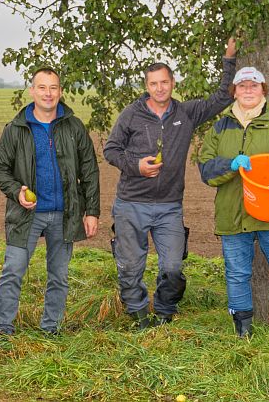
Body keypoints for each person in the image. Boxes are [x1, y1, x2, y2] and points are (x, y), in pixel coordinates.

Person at [104, 38, 237, 328]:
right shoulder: (131, 114)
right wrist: (136, 166)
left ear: (172, 82)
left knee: (173, 267)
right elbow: (111, 150)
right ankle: (139, 316)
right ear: (146, 86)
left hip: (169, 207)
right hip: (131, 204)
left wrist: (229, 59)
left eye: (164, 82)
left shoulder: (186, 113)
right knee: (130, 267)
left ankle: (164, 312)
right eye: (153, 84)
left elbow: (222, 98)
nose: (159, 88)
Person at [197, 66, 269, 347]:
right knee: (237, 273)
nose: (248, 90)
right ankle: (243, 331)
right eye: (242, 85)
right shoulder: (220, 127)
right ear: (234, 90)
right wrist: (230, 165)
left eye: (254, 85)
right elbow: (205, 168)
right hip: (233, 212)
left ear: (264, 89)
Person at [0, 67, 100, 343]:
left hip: (64, 214)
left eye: (53, 88)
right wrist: (17, 192)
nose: (48, 93)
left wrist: (92, 212)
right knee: (13, 270)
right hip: (25, 215)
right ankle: (3, 328)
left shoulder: (73, 126)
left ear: (60, 92)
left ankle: (50, 328)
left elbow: (90, 170)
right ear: (32, 91)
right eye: (42, 87)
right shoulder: (16, 128)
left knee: (59, 276)